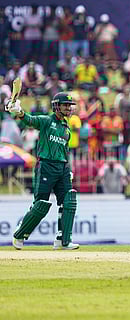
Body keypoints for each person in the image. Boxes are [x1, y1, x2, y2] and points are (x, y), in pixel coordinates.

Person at [5, 92, 79, 250]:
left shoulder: (66, 128)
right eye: (65, 105)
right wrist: (19, 111)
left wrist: (68, 169)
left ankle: (63, 240)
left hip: (62, 168)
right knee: (41, 204)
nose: (68, 108)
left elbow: (65, 151)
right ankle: (20, 234)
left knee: (69, 200)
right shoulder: (46, 121)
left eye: (69, 106)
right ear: (56, 106)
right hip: (46, 166)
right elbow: (30, 120)